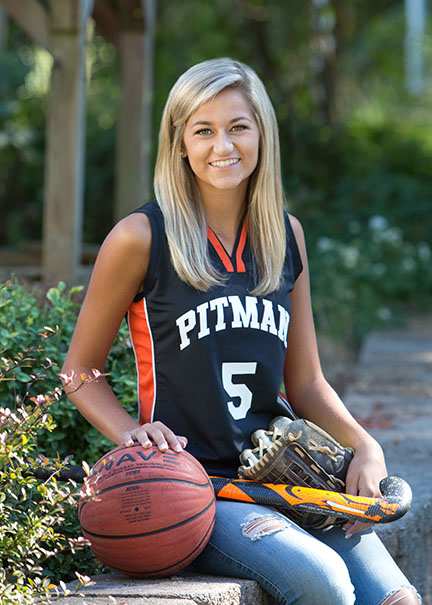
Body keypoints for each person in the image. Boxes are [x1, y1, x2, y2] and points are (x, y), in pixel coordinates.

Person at [62, 58, 421, 604]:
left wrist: (365, 447)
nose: (222, 145)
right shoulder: (141, 237)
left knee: (399, 600)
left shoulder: (284, 234)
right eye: (203, 130)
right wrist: (130, 436)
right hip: (199, 489)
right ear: (180, 143)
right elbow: (79, 371)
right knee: (323, 583)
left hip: (288, 477)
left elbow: (305, 384)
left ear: (262, 134)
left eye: (238, 127)